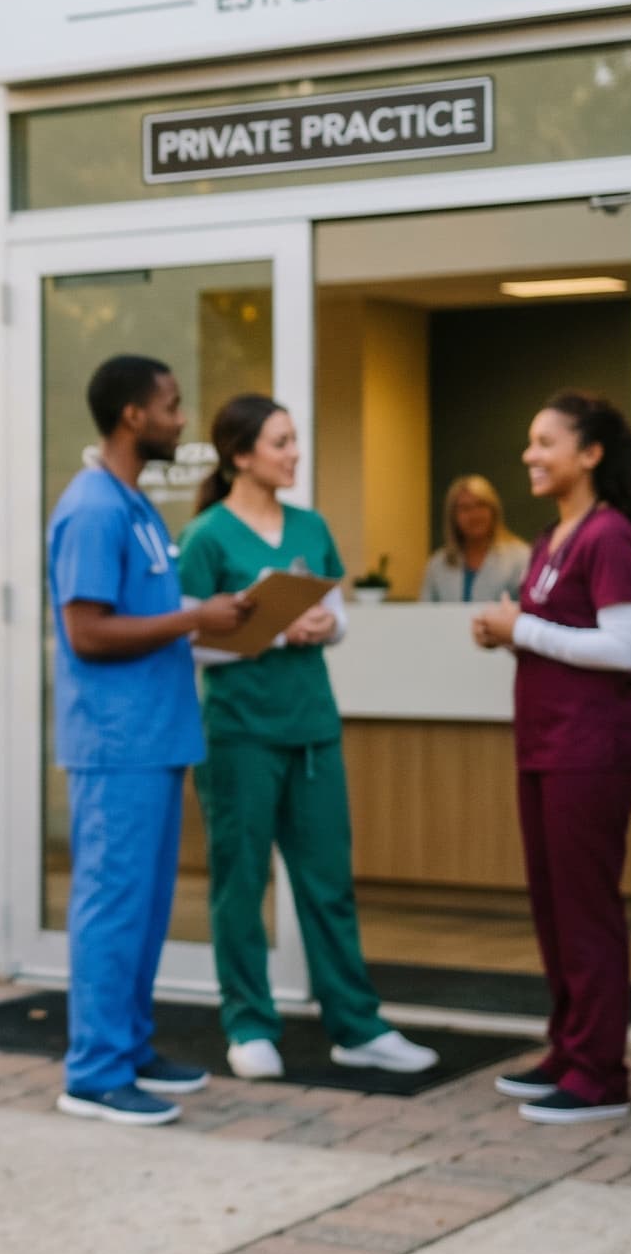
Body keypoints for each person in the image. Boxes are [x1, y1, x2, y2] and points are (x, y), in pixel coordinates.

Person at [179, 395, 439, 1082]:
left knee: (328, 884)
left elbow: (337, 615)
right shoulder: (207, 536)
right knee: (241, 884)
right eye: (281, 442)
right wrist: (264, 634)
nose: (295, 453)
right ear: (241, 455)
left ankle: (357, 1025)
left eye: (294, 441)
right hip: (239, 734)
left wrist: (326, 626)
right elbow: (190, 641)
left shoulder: (310, 524)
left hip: (313, 729)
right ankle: (249, 1023)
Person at [46, 356, 245, 1126]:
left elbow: (146, 615)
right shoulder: (93, 507)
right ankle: (94, 1071)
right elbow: (87, 631)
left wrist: (213, 617)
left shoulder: (134, 505)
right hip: (114, 744)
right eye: (171, 406)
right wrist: (198, 618)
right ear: (134, 416)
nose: (181, 419)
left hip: (155, 736)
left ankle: (127, 1045)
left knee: (148, 905)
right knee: (114, 906)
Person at [471, 390, 631, 1126]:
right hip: (546, 744)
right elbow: (548, 628)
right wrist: (509, 631)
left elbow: (623, 649)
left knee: (587, 910)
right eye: (529, 441)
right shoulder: (552, 538)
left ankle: (600, 1073)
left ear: (591, 454)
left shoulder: (611, 536)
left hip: (591, 749)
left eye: (545, 442)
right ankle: (569, 1049)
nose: (530, 455)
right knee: (553, 907)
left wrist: (525, 627)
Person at [419, 474, 531, 604]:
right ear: (453, 516)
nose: (474, 515)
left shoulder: (521, 557)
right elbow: (424, 613)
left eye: (481, 505)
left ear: (494, 510)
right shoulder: (437, 564)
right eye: (465, 508)